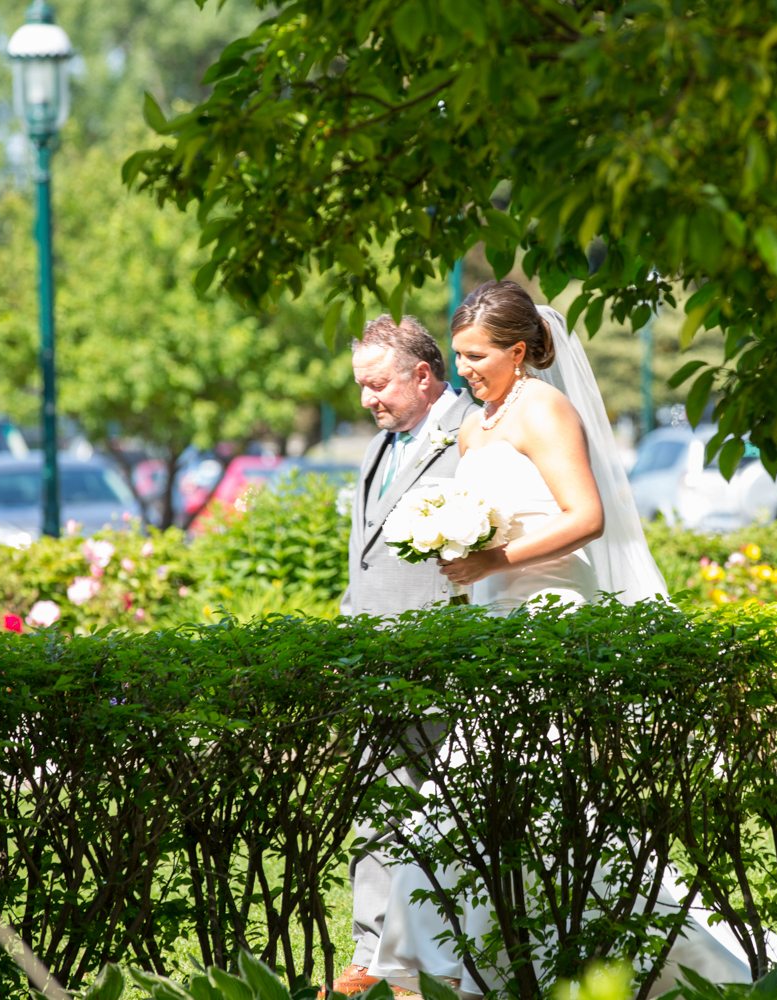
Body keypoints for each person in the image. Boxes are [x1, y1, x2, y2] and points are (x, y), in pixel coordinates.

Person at [364, 281, 747, 995]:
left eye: (478, 356)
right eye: (458, 356)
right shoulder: (474, 428)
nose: (465, 370)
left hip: (547, 621)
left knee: (538, 806)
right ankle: (483, 962)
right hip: (494, 626)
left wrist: (494, 560)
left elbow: (586, 515)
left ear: (518, 351)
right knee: (469, 802)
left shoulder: (545, 409)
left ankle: (585, 953)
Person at [335, 314, 477, 997]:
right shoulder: (378, 446)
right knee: (375, 809)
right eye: (361, 386)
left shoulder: (473, 434)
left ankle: (434, 959)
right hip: (375, 662)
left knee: (443, 819)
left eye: (377, 385)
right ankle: (374, 954)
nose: (367, 399)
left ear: (423, 375)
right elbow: (365, 558)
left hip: (442, 659)